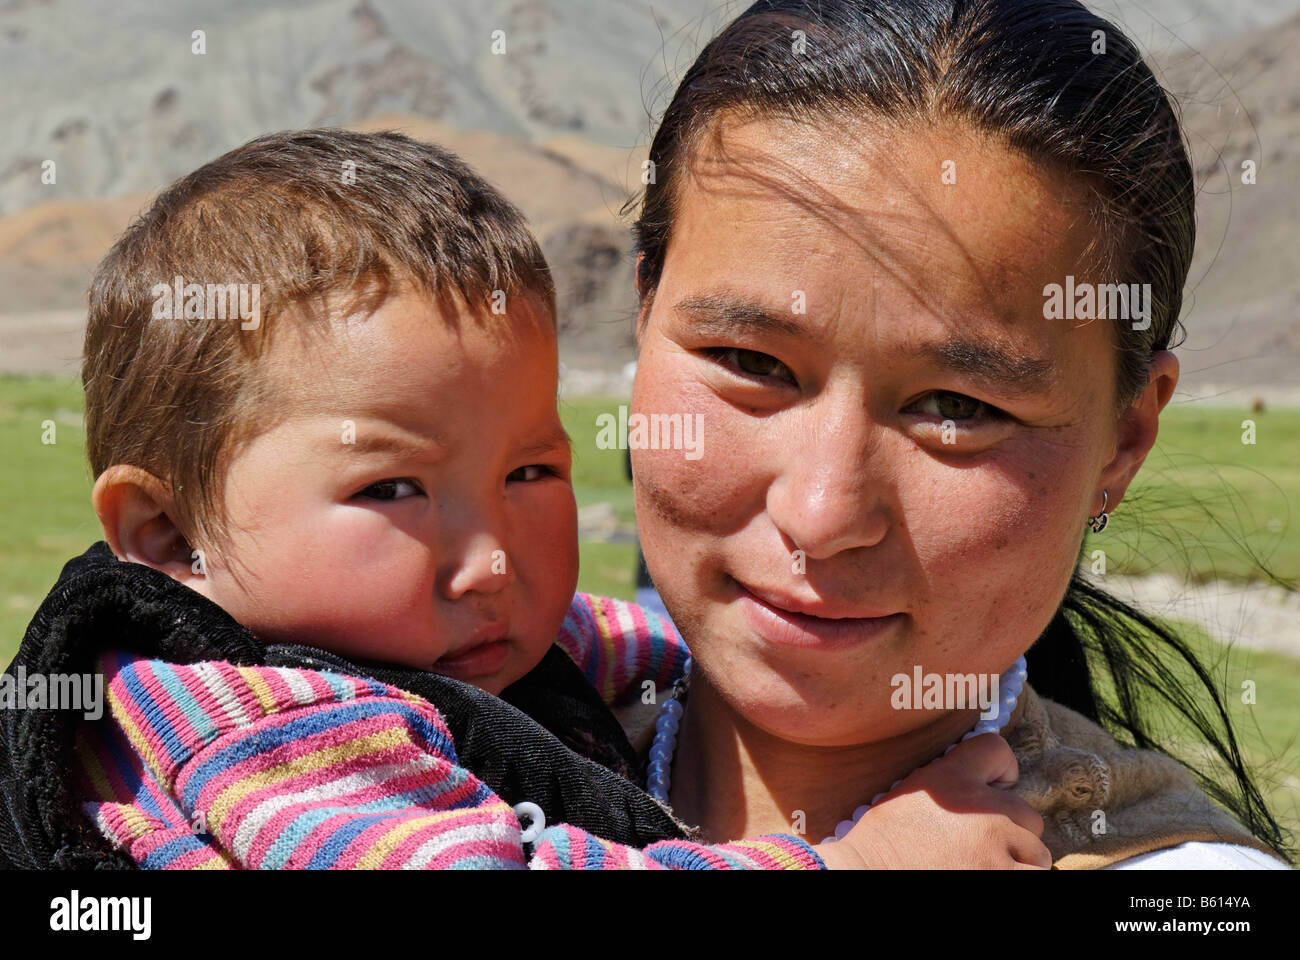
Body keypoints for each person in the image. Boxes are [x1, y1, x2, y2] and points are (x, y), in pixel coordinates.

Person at [0, 129, 1047, 870]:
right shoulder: (255, 720)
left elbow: (634, 644)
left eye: (530, 474)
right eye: (394, 488)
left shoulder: (442, 634)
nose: (493, 560)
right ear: (167, 533)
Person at [622, 0, 1291, 869]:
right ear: (643, 321)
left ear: (1122, 443)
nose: (822, 515)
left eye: (958, 409)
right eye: (752, 361)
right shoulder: (424, 760)